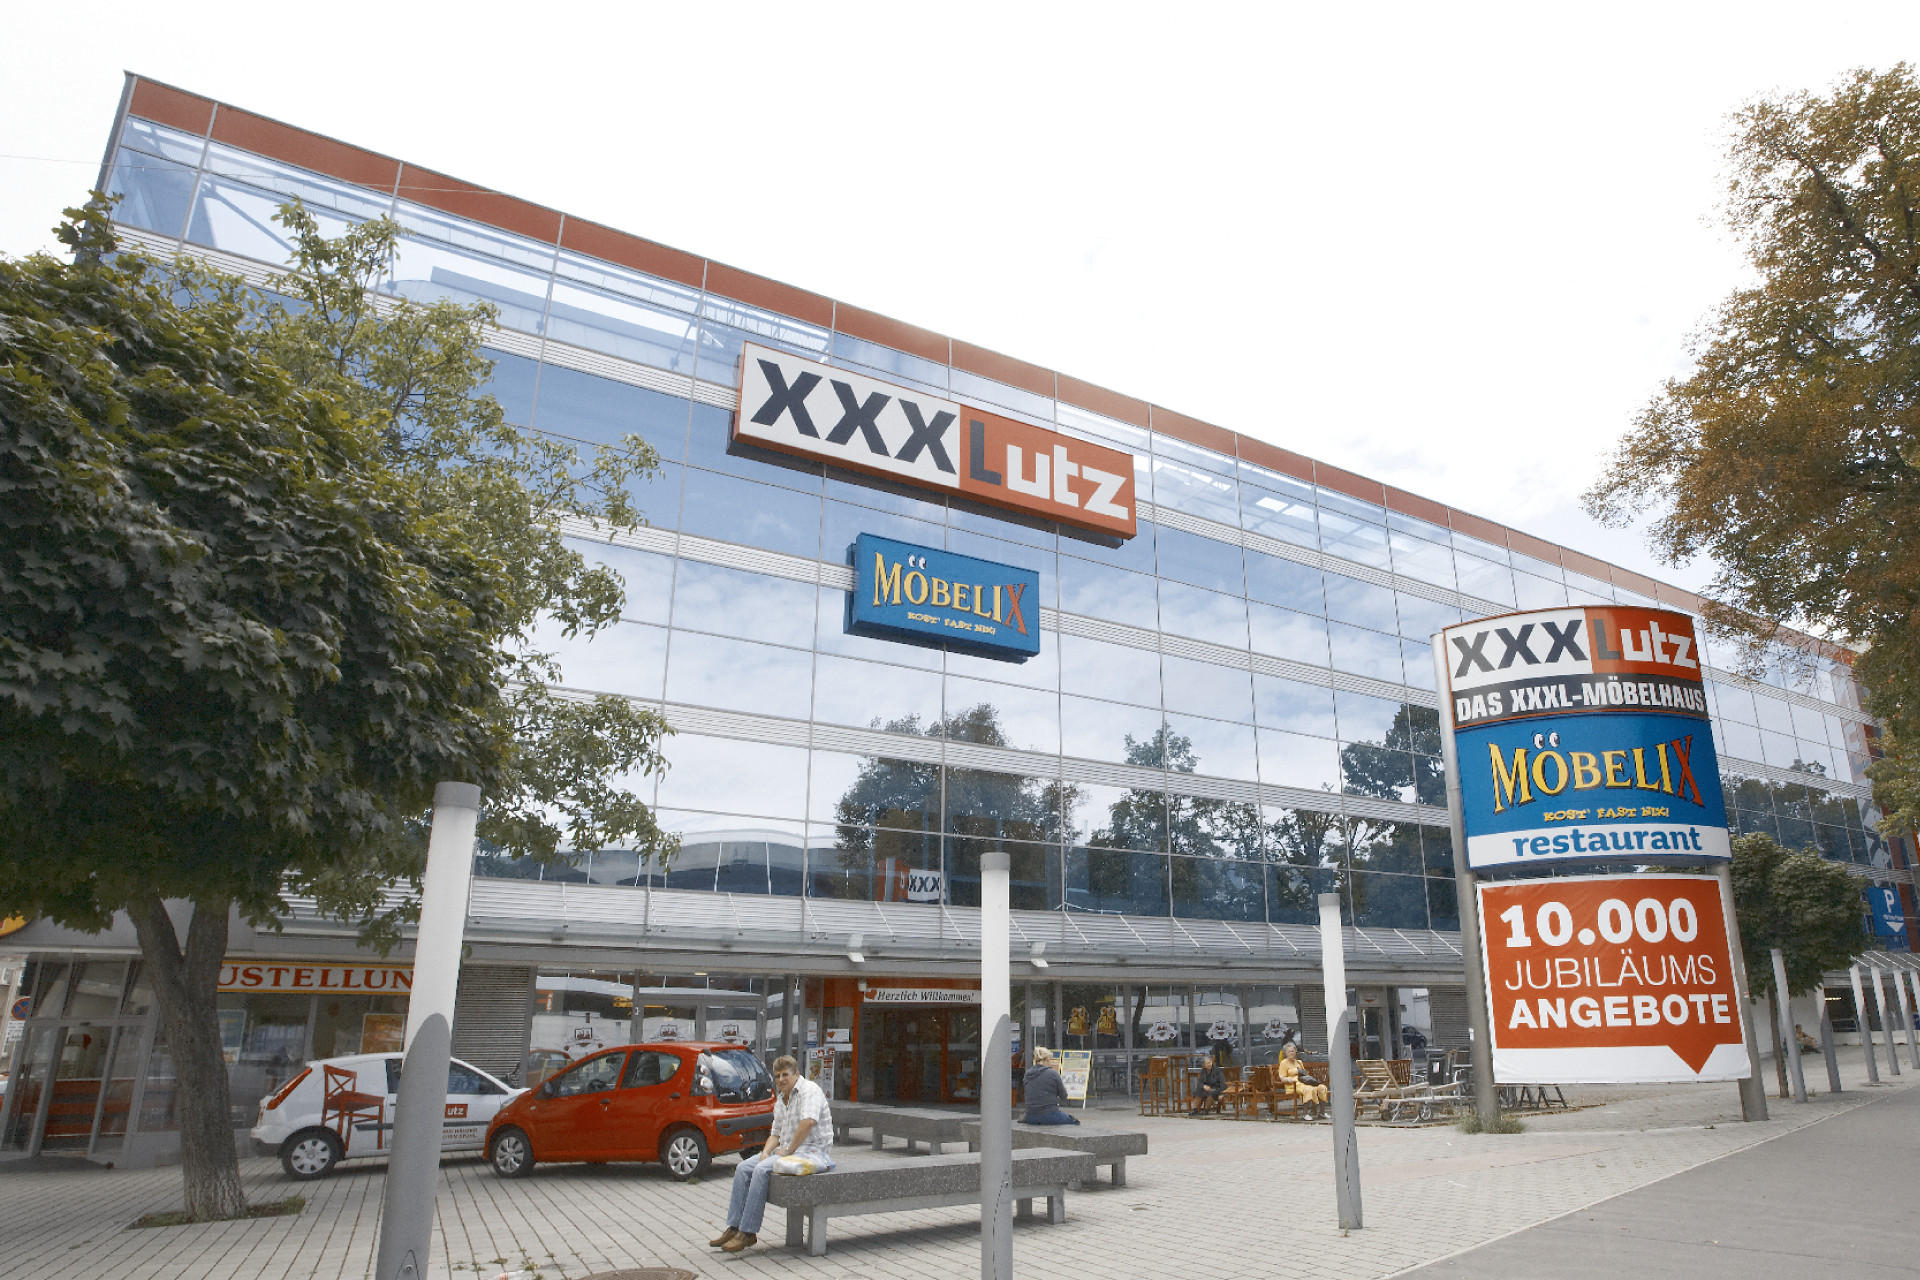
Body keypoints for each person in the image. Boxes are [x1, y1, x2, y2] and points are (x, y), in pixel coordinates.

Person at [710, 1055, 833, 1255]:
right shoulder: (782, 1098)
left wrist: (789, 1149)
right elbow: (776, 1133)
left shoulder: (809, 1091)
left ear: (796, 1074)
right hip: (789, 1151)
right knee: (743, 1168)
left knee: (761, 1170)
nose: (781, 1079)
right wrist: (766, 1152)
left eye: (785, 1074)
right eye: (777, 1076)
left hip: (812, 1153)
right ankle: (734, 1227)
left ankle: (748, 1232)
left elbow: (808, 1122)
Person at [1021, 1046, 1080, 1125]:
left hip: (1030, 1116)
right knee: (1074, 1121)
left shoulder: (1027, 1074)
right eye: (1050, 1060)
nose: (1050, 1063)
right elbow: (1064, 1096)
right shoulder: (1053, 1073)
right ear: (1046, 1060)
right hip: (1049, 1115)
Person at [1277, 1042, 1328, 1118]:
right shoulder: (1283, 1063)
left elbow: (1305, 1074)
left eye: (1293, 1051)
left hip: (1303, 1082)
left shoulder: (1299, 1062)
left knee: (1322, 1088)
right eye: (1289, 1051)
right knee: (1308, 1089)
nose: (1291, 1053)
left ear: (1295, 1052)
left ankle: (1322, 1112)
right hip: (1292, 1085)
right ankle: (1305, 1114)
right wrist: (1290, 1079)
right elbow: (1282, 1078)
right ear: (1286, 1053)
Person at [1190, 1046, 1229, 1115]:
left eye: (1210, 1062)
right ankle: (1195, 1110)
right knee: (1198, 1091)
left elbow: (1223, 1084)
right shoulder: (1203, 1071)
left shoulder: (1217, 1071)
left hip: (1216, 1089)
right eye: (1207, 1063)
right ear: (1204, 1065)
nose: (1209, 1064)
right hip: (1206, 1089)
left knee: (1211, 1093)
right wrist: (1204, 1086)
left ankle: (1206, 1110)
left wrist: (1221, 1093)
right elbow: (1200, 1082)